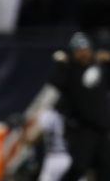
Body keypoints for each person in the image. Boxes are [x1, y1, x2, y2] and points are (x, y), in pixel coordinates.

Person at [47, 32, 110, 181]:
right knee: (80, 166)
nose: (83, 53)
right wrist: (63, 64)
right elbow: (56, 82)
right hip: (80, 129)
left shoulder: (101, 68)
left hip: (101, 129)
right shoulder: (70, 70)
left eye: (85, 49)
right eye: (78, 50)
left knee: (106, 167)